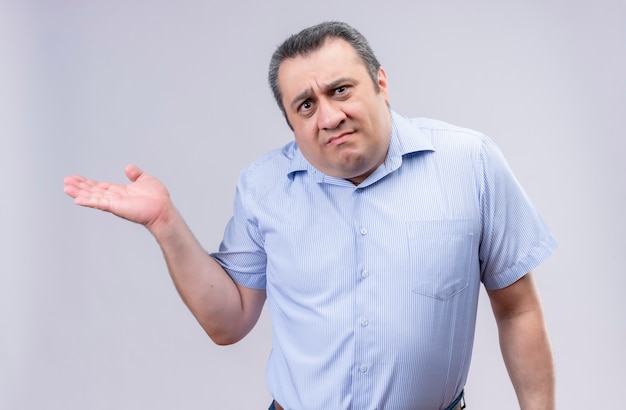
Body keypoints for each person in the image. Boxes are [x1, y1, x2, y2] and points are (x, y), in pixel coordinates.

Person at [63, 21, 556, 410]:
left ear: (381, 82)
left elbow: (517, 308)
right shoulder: (263, 187)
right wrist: (164, 222)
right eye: (305, 105)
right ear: (290, 122)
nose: (329, 116)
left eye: (341, 90)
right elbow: (228, 323)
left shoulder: (470, 162)